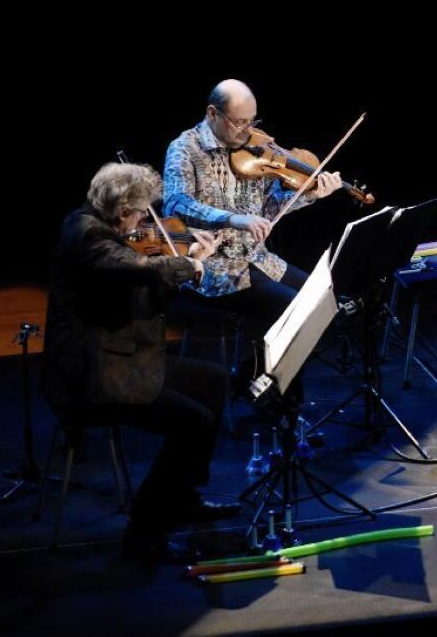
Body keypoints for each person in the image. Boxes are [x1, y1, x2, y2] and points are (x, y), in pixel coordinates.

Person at [43, 162, 238, 562]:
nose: (144, 222)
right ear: (122, 211)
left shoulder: (104, 230)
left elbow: (144, 292)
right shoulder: (86, 236)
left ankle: (182, 494)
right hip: (94, 373)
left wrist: (185, 256)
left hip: (125, 356)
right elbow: (136, 270)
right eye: (141, 212)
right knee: (193, 421)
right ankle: (145, 525)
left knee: (214, 381)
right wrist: (190, 264)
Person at [163, 78, 344, 333]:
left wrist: (309, 194)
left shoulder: (257, 150)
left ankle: (267, 372)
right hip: (213, 269)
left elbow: (270, 207)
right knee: (293, 314)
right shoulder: (184, 149)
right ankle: (258, 373)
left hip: (259, 259)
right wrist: (233, 219)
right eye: (239, 122)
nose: (248, 131)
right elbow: (176, 204)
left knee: (321, 301)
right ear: (212, 113)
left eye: (252, 121)